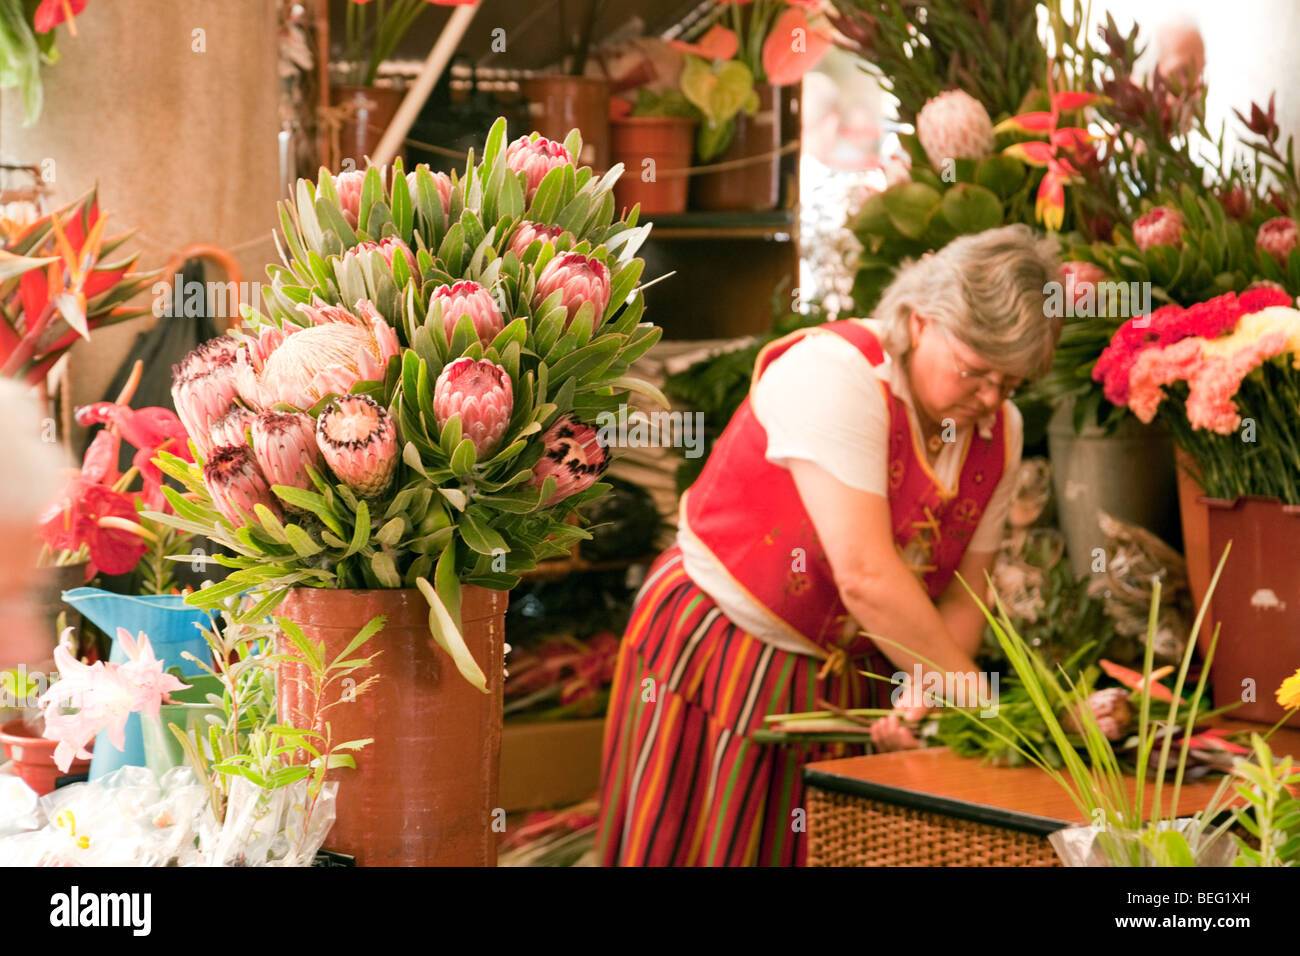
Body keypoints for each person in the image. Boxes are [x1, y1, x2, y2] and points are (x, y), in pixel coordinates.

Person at [596, 224, 1063, 866]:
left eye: (1011, 385)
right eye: (976, 371)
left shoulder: (997, 431)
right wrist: (975, 698)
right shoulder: (836, 374)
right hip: (729, 645)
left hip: (852, 674)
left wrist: (927, 695)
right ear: (922, 322)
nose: (991, 399)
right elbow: (866, 574)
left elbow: (964, 588)